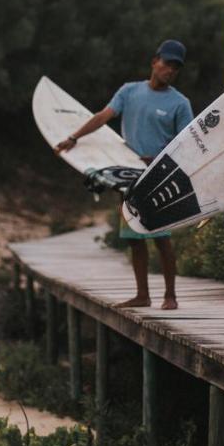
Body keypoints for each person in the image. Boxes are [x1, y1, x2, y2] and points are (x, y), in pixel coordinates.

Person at [56, 40, 192, 310]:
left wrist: (155, 159)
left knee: (161, 238)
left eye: (175, 67)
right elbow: (103, 116)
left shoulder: (180, 103)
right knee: (133, 238)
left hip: (158, 177)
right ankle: (142, 295)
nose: (170, 70)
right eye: (167, 63)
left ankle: (170, 296)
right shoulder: (130, 91)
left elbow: (186, 144)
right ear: (155, 61)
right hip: (128, 176)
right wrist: (73, 137)